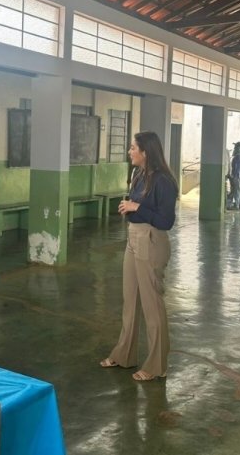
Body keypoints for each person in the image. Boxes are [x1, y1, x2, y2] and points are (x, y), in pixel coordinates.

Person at [100, 131, 178, 381]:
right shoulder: (138, 175)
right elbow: (137, 206)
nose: (129, 151)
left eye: (133, 148)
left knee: (151, 303)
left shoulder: (163, 181)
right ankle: (124, 355)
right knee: (130, 300)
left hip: (151, 240)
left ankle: (157, 366)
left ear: (146, 152)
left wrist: (137, 207)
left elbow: (166, 221)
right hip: (133, 237)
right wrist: (129, 208)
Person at [229, 142, 240, 210]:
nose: (234, 148)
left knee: (236, 190)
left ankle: (236, 205)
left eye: (235, 147)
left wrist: (233, 176)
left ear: (239, 148)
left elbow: (236, 167)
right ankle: (239, 204)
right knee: (239, 190)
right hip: (239, 175)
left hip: (237, 175)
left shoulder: (238, 156)